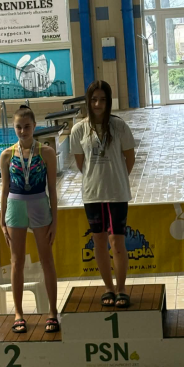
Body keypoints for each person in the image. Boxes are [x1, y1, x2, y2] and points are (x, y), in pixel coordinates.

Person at [70, 80, 135, 308]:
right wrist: (98, 178)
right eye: (94, 99)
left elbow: (129, 158)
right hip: (93, 194)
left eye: (103, 100)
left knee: (117, 242)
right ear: (88, 101)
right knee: (98, 241)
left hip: (117, 193)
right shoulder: (79, 130)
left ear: (109, 102)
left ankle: (121, 288)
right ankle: (108, 287)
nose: (98, 104)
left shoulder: (119, 126)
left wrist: (115, 178)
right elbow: (81, 164)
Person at [0, 105, 59, 334]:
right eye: (18, 127)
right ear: (14, 128)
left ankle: (52, 312)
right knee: (16, 262)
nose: (23, 131)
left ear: (34, 126)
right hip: (15, 208)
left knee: (47, 260)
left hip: (40, 206)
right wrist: (2, 220)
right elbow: (5, 189)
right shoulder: (7, 155)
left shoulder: (46, 153)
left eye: (26, 126)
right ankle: (18, 314)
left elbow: (52, 189)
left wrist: (55, 220)